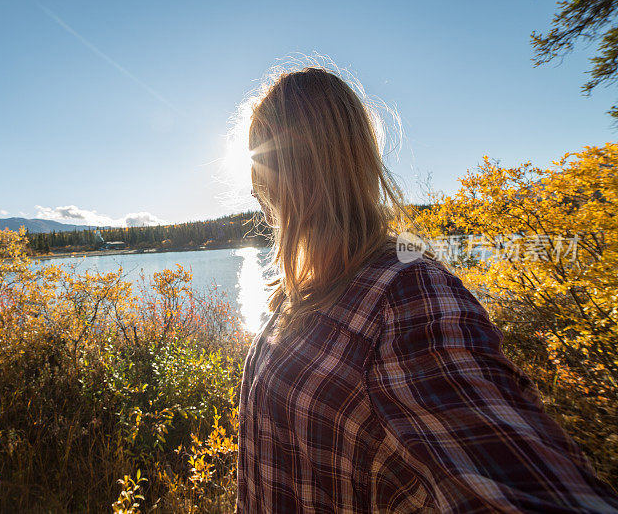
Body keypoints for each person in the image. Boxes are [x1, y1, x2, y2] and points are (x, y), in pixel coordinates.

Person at [237, 67, 618, 513]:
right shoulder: (295, 293)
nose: (253, 185)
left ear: (287, 172)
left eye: (259, 163)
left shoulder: (408, 294)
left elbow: (507, 482)